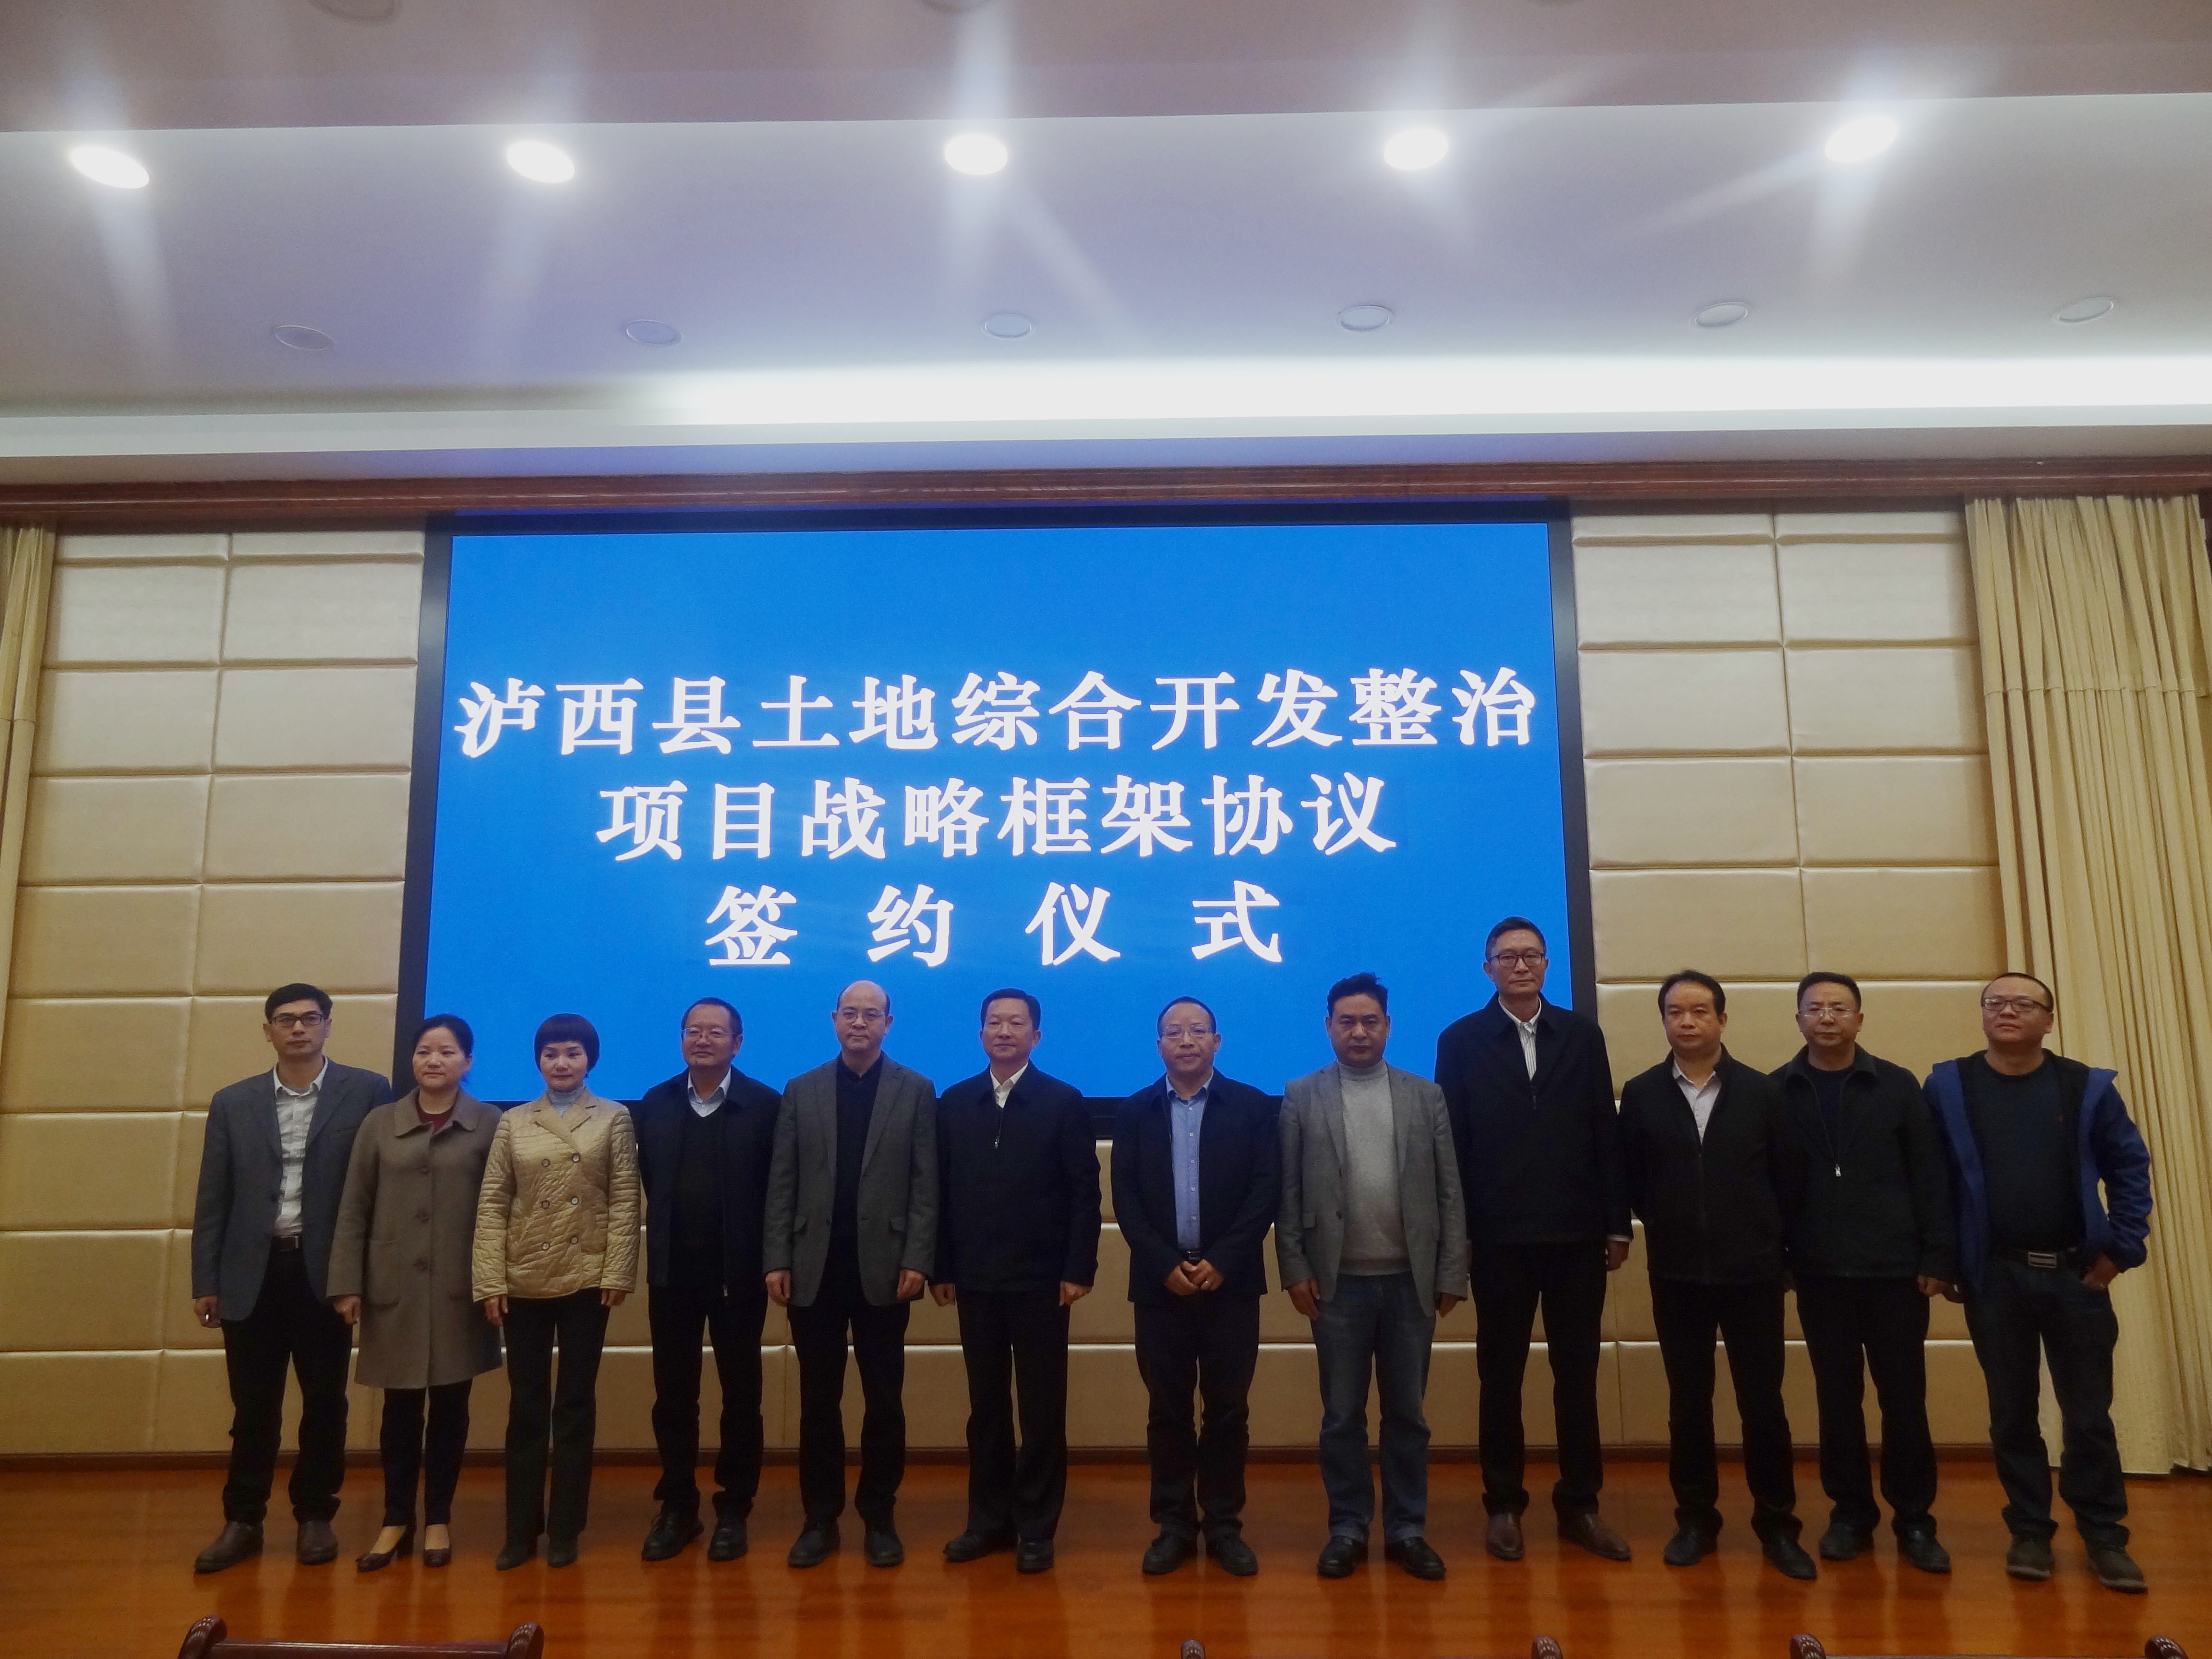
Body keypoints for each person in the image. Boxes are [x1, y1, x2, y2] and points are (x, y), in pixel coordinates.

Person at [1923, 973, 2153, 1593]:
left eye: (2024, 1004)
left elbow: (2130, 1167)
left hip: (2078, 1276)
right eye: (1995, 1002)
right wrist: (1947, 1260)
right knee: (2011, 1414)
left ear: (2048, 1020)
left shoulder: (2085, 1086)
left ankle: (2104, 1537)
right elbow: (1934, 1179)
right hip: (1995, 1277)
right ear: (1982, 1015)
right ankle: (2029, 1530)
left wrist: (2122, 1251)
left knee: (2089, 1416)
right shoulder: (1949, 1086)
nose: (2008, 1011)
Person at [1432, 917, 1632, 1563]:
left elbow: (1604, 1129)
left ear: (1547, 965)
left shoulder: (1581, 1034)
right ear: (1487, 967)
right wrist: (1458, 1236)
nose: (1520, 966)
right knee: (1501, 1376)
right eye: (1507, 956)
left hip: (1577, 1235)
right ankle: (1503, 1505)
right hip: (1497, 1239)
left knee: (1578, 1376)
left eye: (1531, 955)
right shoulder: (1460, 1040)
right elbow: (1452, 1146)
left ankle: (1580, 1505)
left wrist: (1617, 1222)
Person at [189, 984, 392, 1574]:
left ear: (327, 1026)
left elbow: (380, 1191)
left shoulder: (368, 1091)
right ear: (268, 1031)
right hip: (250, 1273)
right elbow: (213, 1196)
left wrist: (362, 1276)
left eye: (310, 1018)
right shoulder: (233, 1102)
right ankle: (243, 1520)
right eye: (285, 1019)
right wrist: (206, 1279)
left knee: (325, 1402)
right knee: (253, 1408)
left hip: (326, 1274)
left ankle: (315, 1516)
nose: (298, 1028)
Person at [1276, 972, 1467, 1582]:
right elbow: (1288, 1192)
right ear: (1328, 1027)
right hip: (1336, 1285)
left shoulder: (1424, 1096)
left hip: (1411, 1281)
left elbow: (1449, 1190)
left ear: (1388, 1026)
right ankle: (1348, 1527)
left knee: (1407, 1415)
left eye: (1370, 1022)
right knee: (1342, 1416)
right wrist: (1295, 1268)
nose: (1359, 1032)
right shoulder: (1301, 1095)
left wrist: (1451, 1270)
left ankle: (1408, 1529)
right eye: (1347, 1022)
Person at [1620, 970, 1811, 1579]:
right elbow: (1634, 1181)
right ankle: (1696, 1520)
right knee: (1688, 1405)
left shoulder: (1764, 1092)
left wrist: (1774, 1248)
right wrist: (1671, 1221)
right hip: (1677, 1274)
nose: (1687, 1021)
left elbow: (1789, 1180)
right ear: (1663, 1021)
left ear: (1722, 1020)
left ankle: (1777, 1526)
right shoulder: (1642, 1093)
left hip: (1753, 1273)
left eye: (1700, 1011)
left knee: (1764, 1406)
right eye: (1675, 1012)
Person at [1771, 973, 1955, 1575]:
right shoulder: (1776, 1091)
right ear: (1799, 1020)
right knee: (1837, 1400)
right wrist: (1781, 1260)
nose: (1826, 1017)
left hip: (1896, 1273)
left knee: (1904, 1400)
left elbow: (1931, 1175)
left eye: (1839, 1008)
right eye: (1814, 1008)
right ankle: (1850, 1514)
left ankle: (1915, 1520)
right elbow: (1767, 1187)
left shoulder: (1897, 1085)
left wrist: (1937, 1257)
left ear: (1859, 1019)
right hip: (1819, 1273)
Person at [765, 981, 939, 1569]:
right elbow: (782, 1181)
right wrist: (777, 1257)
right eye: (850, 1013)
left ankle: (879, 1516)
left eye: (871, 1014)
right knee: (819, 1402)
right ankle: (820, 1520)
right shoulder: (802, 1089)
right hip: (813, 1268)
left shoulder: (916, 1090)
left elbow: (925, 1185)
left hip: (886, 1270)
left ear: (889, 1023)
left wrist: (918, 1258)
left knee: (884, 1401)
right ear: (834, 1019)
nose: (859, 1023)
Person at [933, 988, 1101, 1574]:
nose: (1004, 1031)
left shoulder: (1063, 1101)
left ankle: (1036, 1526)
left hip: (1042, 1282)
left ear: (1036, 1035)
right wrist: (943, 1266)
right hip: (975, 1280)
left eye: (1016, 1023)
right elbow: (940, 1192)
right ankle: (988, 1521)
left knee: (1041, 1408)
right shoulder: (956, 1102)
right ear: (981, 1033)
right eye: (994, 1022)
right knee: (986, 1408)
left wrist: (1078, 1269)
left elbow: (1085, 1194)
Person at [327, 1014, 504, 1572]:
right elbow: (354, 1206)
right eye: (425, 1051)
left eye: (447, 1052)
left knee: (452, 1410)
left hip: (460, 1289)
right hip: (394, 1288)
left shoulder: (490, 1123)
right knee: (399, 1412)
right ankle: (395, 1518)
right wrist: (346, 1283)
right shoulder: (380, 1122)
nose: (434, 1061)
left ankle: (439, 1518)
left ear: (468, 1061)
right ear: (412, 1059)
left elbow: (503, 1209)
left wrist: (495, 1282)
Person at [1110, 996, 1279, 1577]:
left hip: (1231, 1284)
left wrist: (1223, 1261)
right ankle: (1175, 1525)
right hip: (1160, 1287)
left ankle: (1224, 1525)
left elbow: (1265, 1192)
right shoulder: (1135, 1111)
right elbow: (1126, 1199)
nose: (1186, 1040)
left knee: (1228, 1411)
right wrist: (1164, 1264)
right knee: (1168, 1411)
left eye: (1198, 1030)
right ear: (1159, 1044)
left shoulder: (1252, 1107)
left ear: (1217, 1041)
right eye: (1174, 1032)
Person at [472, 1014, 639, 1570]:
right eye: (551, 1054)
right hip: (523, 1278)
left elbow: (624, 1199)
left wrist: (618, 1272)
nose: (562, 1063)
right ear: (538, 1061)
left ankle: (566, 1527)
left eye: (572, 1053)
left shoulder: (614, 1117)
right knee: (526, 1407)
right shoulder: (513, 1121)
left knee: (574, 1405)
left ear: (590, 1059)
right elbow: (493, 1202)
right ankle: (520, 1531)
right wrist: (490, 1279)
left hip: (587, 1278)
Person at [628, 998, 781, 1564]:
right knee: (674, 1397)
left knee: (742, 1396)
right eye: (693, 1030)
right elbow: (651, 1180)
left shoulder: (765, 1105)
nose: (703, 1040)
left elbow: (778, 1190)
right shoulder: (656, 1102)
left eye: (716, 1032)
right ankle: (678, 1506)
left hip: (739, 1275)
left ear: (737, 1044)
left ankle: (734, 1508)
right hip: (673, 1273)